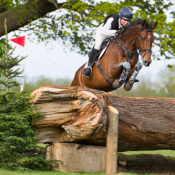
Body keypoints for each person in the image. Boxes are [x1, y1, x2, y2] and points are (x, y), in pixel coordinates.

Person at [82, 7, 133, 78]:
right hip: (103, 33)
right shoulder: (112, 20)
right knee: (98, 45)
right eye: (124, 20)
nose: (126, 22)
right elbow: (103, 31)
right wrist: (116, 31)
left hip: (113, 36)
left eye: (128, 20)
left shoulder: (128, 24)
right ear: (120, 18)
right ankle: (88, 67)